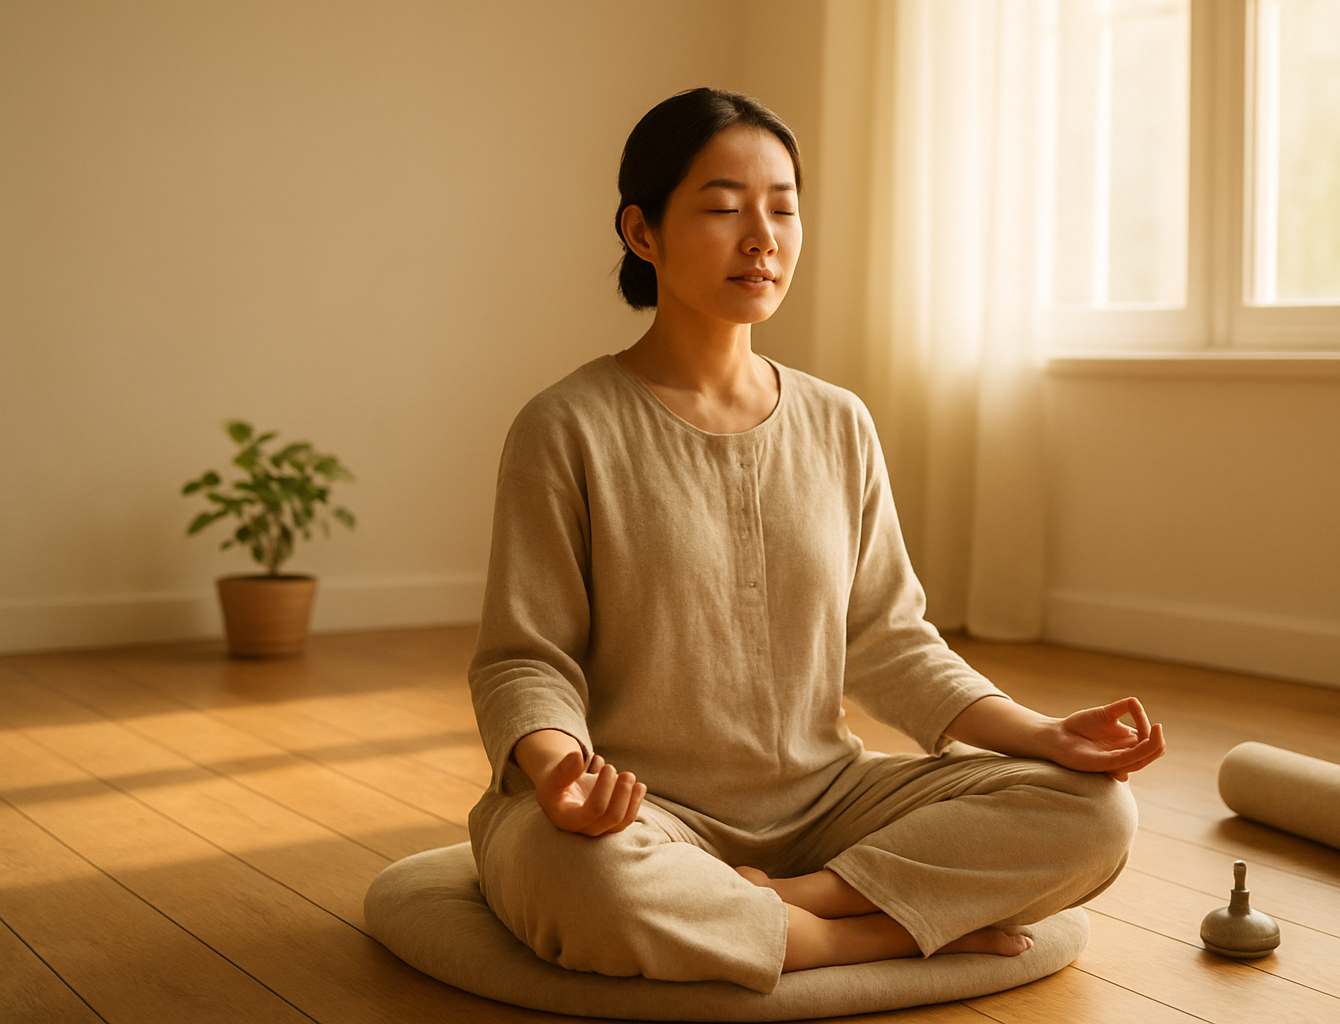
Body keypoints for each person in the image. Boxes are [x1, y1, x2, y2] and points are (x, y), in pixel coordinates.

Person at [467, 87, 1165, 996]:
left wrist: (1042, 734)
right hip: (642, 811)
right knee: (574, 874)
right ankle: (853, 937)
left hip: (827, 804)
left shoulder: (840, 422)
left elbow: (891, 642)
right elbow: (524, 661)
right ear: (642, 233)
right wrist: (562, 780)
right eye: (722, 208)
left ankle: (804, 900)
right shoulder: (566, 426)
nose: (763, 236)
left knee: (1097, 812)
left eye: (784, 208)